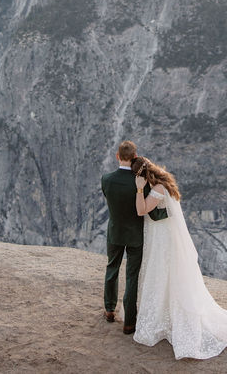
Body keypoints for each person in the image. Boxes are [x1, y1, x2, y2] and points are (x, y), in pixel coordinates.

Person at [131, 156, 227, 359]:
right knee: (165, 275)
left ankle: (162, 319)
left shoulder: (156, 190)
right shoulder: (165, 183)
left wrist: (139, 188)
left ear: (142, 176)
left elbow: (141, 210)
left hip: (161, 240)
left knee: (161, 274)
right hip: (165, 236)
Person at [100, 140, 143, 334]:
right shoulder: (139, 182)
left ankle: (109, 310)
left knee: (112, 268)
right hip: (135, 234)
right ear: (135, 157)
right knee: (132, 276)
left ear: (118, 156)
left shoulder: (106, 179)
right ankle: (129, 323)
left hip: (115, 231)